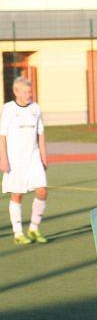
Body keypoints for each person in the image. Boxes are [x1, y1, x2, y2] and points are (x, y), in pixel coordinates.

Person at [1, 77, 49, 245]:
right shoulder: (8, 109)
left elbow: (40, 135)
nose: (29, 94)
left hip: (33, 157)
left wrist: (44, 157)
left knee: (42, 191)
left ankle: (34, 228)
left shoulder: (36, 108)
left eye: (30, 91)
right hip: (15, 160)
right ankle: (18, 233)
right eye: (25, 92)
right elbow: (2, 136)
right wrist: (3, 159)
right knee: (17, 194)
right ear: (16, 92)